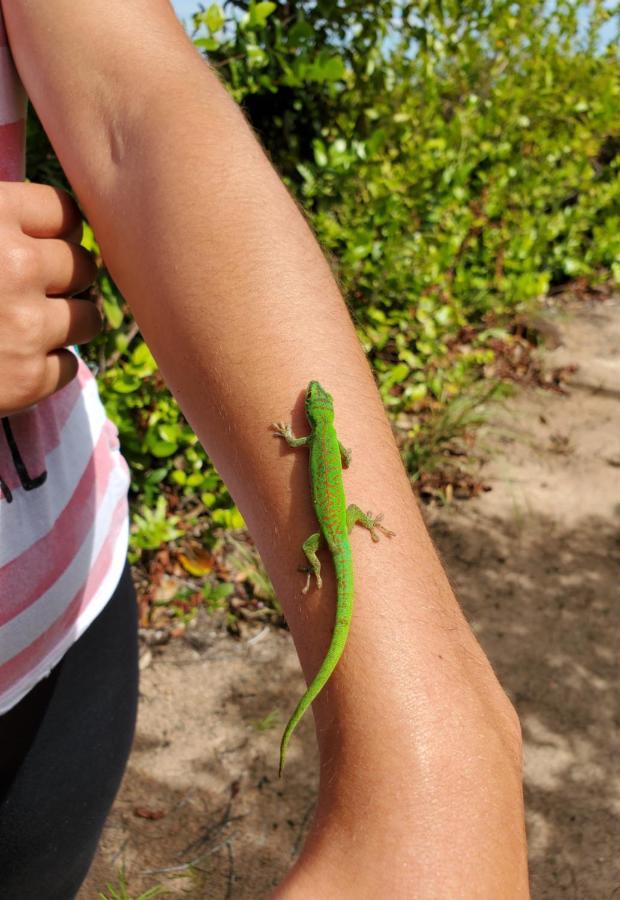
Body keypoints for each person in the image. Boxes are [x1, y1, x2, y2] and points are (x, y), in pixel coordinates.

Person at [0, 1, 529, 897]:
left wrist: (441, 744)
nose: (310, 415)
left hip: (67, 618)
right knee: (335, 540)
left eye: (308, 416)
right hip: (287, 544)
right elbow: (330, 465)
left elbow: (138, 102)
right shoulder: (321, 445)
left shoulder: (311, 434)